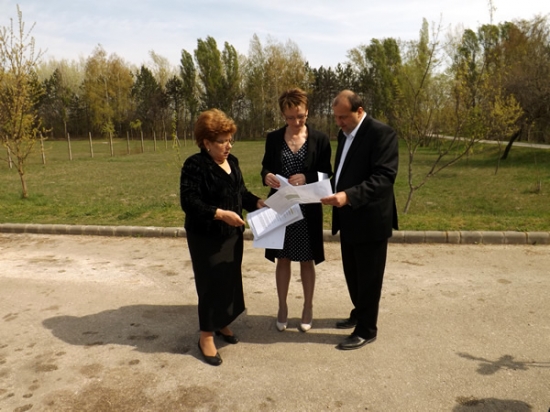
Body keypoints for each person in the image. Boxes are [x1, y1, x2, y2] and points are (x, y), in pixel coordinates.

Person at [180, 109, 265, 366]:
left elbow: (241, 192)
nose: (228, 146)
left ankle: (221, 322)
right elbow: (189, 202)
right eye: (222, 141)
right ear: (206, 142)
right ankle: (206, 335)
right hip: (206, 236)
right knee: (210, 283)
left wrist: (257, 203)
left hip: (232, 234)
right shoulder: (195, 165)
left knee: (228, 280)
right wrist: (219, 214)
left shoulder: (233, 161)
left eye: (230, 140)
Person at [321, 90, 399, 350]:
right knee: (353, 275)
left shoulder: (381, 133)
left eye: (343, 117)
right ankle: (360, 313)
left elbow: (384, 177)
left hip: (371, 219)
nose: (339, 122)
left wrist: (349, 196)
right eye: (336, 117)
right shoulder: (345, 134)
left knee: (369, 278)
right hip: (348, 217)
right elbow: (344, 171)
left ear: (360, 111)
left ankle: (367, 329)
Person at [261, 88, 332, 333]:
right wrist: (267, 176)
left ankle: (308, 307)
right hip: (281, 207)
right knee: (282, 258)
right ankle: (282, 307)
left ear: (307, 111)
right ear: (283, 115)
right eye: (290, 117)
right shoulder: (273, 138)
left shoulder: (320, 139)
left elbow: (327, 173)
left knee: (306, 259)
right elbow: (265, 167)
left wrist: (307, 177)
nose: (296, 122)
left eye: (300, 116)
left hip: (307, 210)